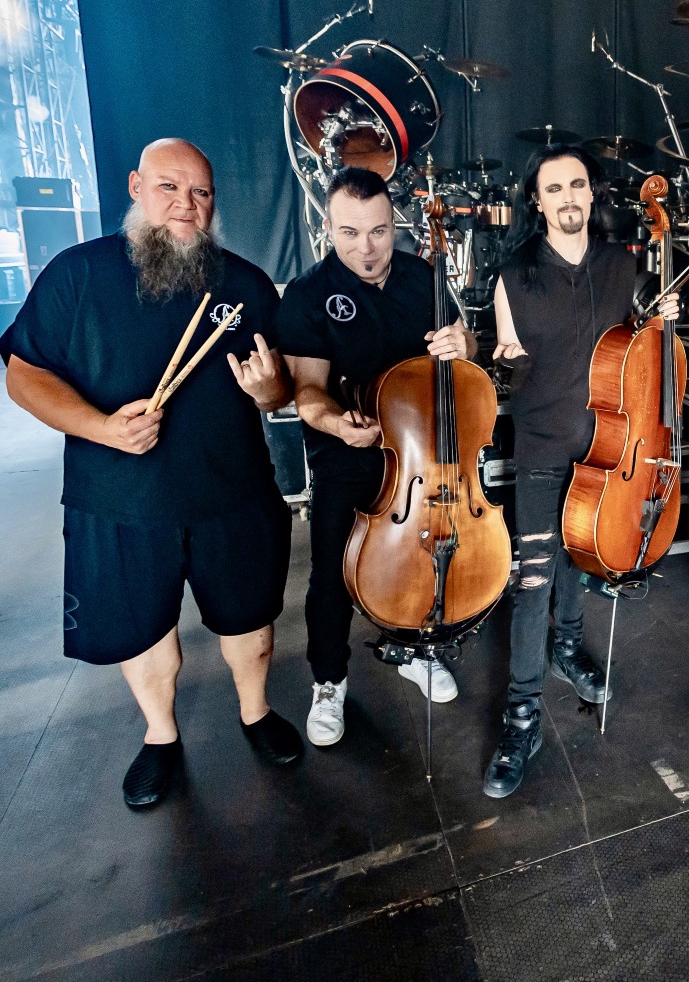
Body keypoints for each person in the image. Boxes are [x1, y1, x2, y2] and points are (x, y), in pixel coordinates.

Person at [0, 138, 304, 809]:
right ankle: (161, 734)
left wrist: (269, 391)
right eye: (170, 187)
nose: (187, 205)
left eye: (201, 192)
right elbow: (23, 375)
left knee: (249, 626)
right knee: (145, 636)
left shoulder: (244, 285)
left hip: (233, 494)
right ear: (136, 186)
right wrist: (101, 426)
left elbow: (281, 390)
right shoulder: (77, 275)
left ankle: (255, 713)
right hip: (118, 501)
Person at [276, 167, 476, 747]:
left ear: (396, 224)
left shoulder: (424, 277)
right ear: (328, 227)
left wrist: (465, 346)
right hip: (349, 453)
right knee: (334, 575)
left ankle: (413, 650)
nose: (366, 248)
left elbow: (465, 351)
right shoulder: (309, 296)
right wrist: (337, 421)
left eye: (380, 232)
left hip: (422, 456)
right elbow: (306, 390)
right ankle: (329, 682)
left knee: (417, 557)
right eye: (350, 233)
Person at [482, 143, 638, 799]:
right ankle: (520, 713)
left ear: (591, 194)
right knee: (534, 580)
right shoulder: (513, 278)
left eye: (579, 185)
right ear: (537, 201)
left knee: (584, 554)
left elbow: (638, 350)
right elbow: (504, 382)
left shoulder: (624, 264)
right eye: (556, 188)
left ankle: (568, 646)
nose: (570, 197)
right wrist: (505, 362)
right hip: (543, 447)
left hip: (606, 444)